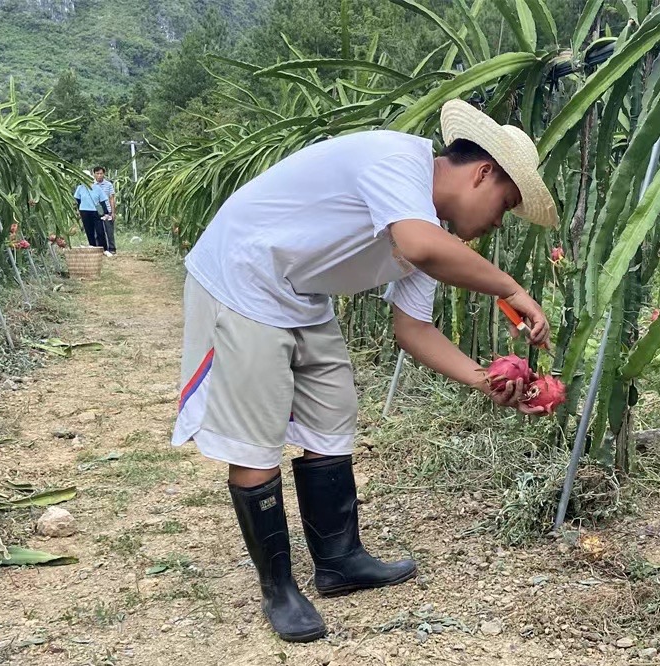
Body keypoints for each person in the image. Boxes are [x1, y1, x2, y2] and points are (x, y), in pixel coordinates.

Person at [170, 99, 558, 643]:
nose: (497, 222)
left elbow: (413, 330)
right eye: (504, 205)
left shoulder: (427, 228)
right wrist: (511, 287)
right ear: (483, 172)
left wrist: (483, 380)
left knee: (332, 418)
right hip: (243, 280)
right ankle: (278, 588)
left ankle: (339, 560)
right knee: (256, 440)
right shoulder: (396, 162)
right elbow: (420, 248)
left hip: (302, 295)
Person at [73, 173, 108, 249]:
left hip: (96, 211)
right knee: (89, 231)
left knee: (100, 231)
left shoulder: (97, 188)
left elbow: (102, 201)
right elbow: (77, 200)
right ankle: (93, 247)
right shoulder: (80, 188)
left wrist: (105, 213)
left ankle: (104, 248)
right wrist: (78, 210)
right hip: (84, 211)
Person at [93, 166, 117, 256]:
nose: (99, 175)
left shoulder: (108, 185)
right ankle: (99, 248)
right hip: (97, 209)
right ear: (94, 174)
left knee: (109, 230)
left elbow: (111, 198)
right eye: (97, 173)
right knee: (97, 230)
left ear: (104, 174)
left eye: (101, 173)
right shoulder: (92, 185)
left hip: (107, 209)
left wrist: (113, 212)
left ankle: (112, 248)